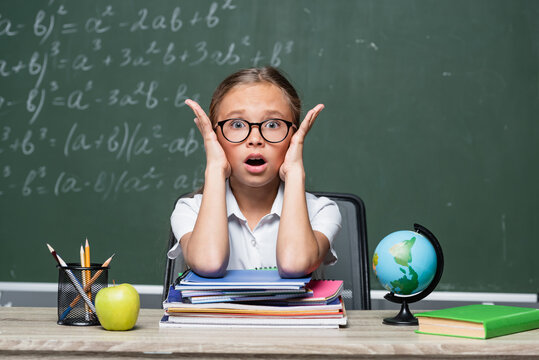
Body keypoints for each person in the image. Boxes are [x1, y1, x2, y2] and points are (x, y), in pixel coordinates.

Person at [168, 66, 341, 278]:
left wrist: (295, 172)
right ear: (214, 137)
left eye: (272, 124)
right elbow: (209, 263)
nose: (255, 139)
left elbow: (294, 265)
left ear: (294, 137)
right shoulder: (190, 210)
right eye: (238, 124)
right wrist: (214, 168)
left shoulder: (321, 211)